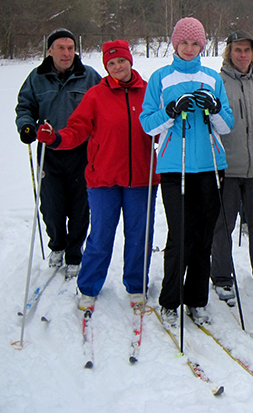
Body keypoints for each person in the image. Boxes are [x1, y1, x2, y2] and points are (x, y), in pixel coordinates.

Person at [36, 40, 160, 309]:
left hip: (142, 178)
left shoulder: (149, 92)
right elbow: (76, 130)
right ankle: (89, 285)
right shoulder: (95, 95)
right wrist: (55, 138)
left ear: (130, 61)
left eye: (122, 61)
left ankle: (136, 285)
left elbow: (161, 128)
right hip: (103, 178)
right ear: (106, 66)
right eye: (111, 63)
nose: (117, 67)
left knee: (140, 235)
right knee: (101, 235)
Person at [140, 17, 234, 326]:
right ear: (174, 43)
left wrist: (215, 107)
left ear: (203, 46)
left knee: (204, 237)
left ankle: (197, 299)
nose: (190, 48)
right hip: (174, 165)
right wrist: (170, 112)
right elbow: (147, 124)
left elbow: (227, 125)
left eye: (195, 43)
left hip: (210, 165)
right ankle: (170, 301)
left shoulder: (211, 78)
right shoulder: (161, 78)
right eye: (184, 42)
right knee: (180, 236)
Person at [15, 28, 101, 277]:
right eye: (61, 48)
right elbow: (24, 107)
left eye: (70, 48)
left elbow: (102, 107)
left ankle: (75, 252)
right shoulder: (37, 78)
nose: (66, 53)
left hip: (81, 151)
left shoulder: (89, 77)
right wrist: (27, 126)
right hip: (49, 152)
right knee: (51, 205)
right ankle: (58, 244)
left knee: (79, 205)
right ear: (49, 50)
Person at [210, 31, 253, 304]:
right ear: (229, 52)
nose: (242, 55)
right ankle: (222, 277)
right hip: (227, 166)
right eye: (237, 50)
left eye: (247, 50)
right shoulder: (217, 82)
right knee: (223, 225)